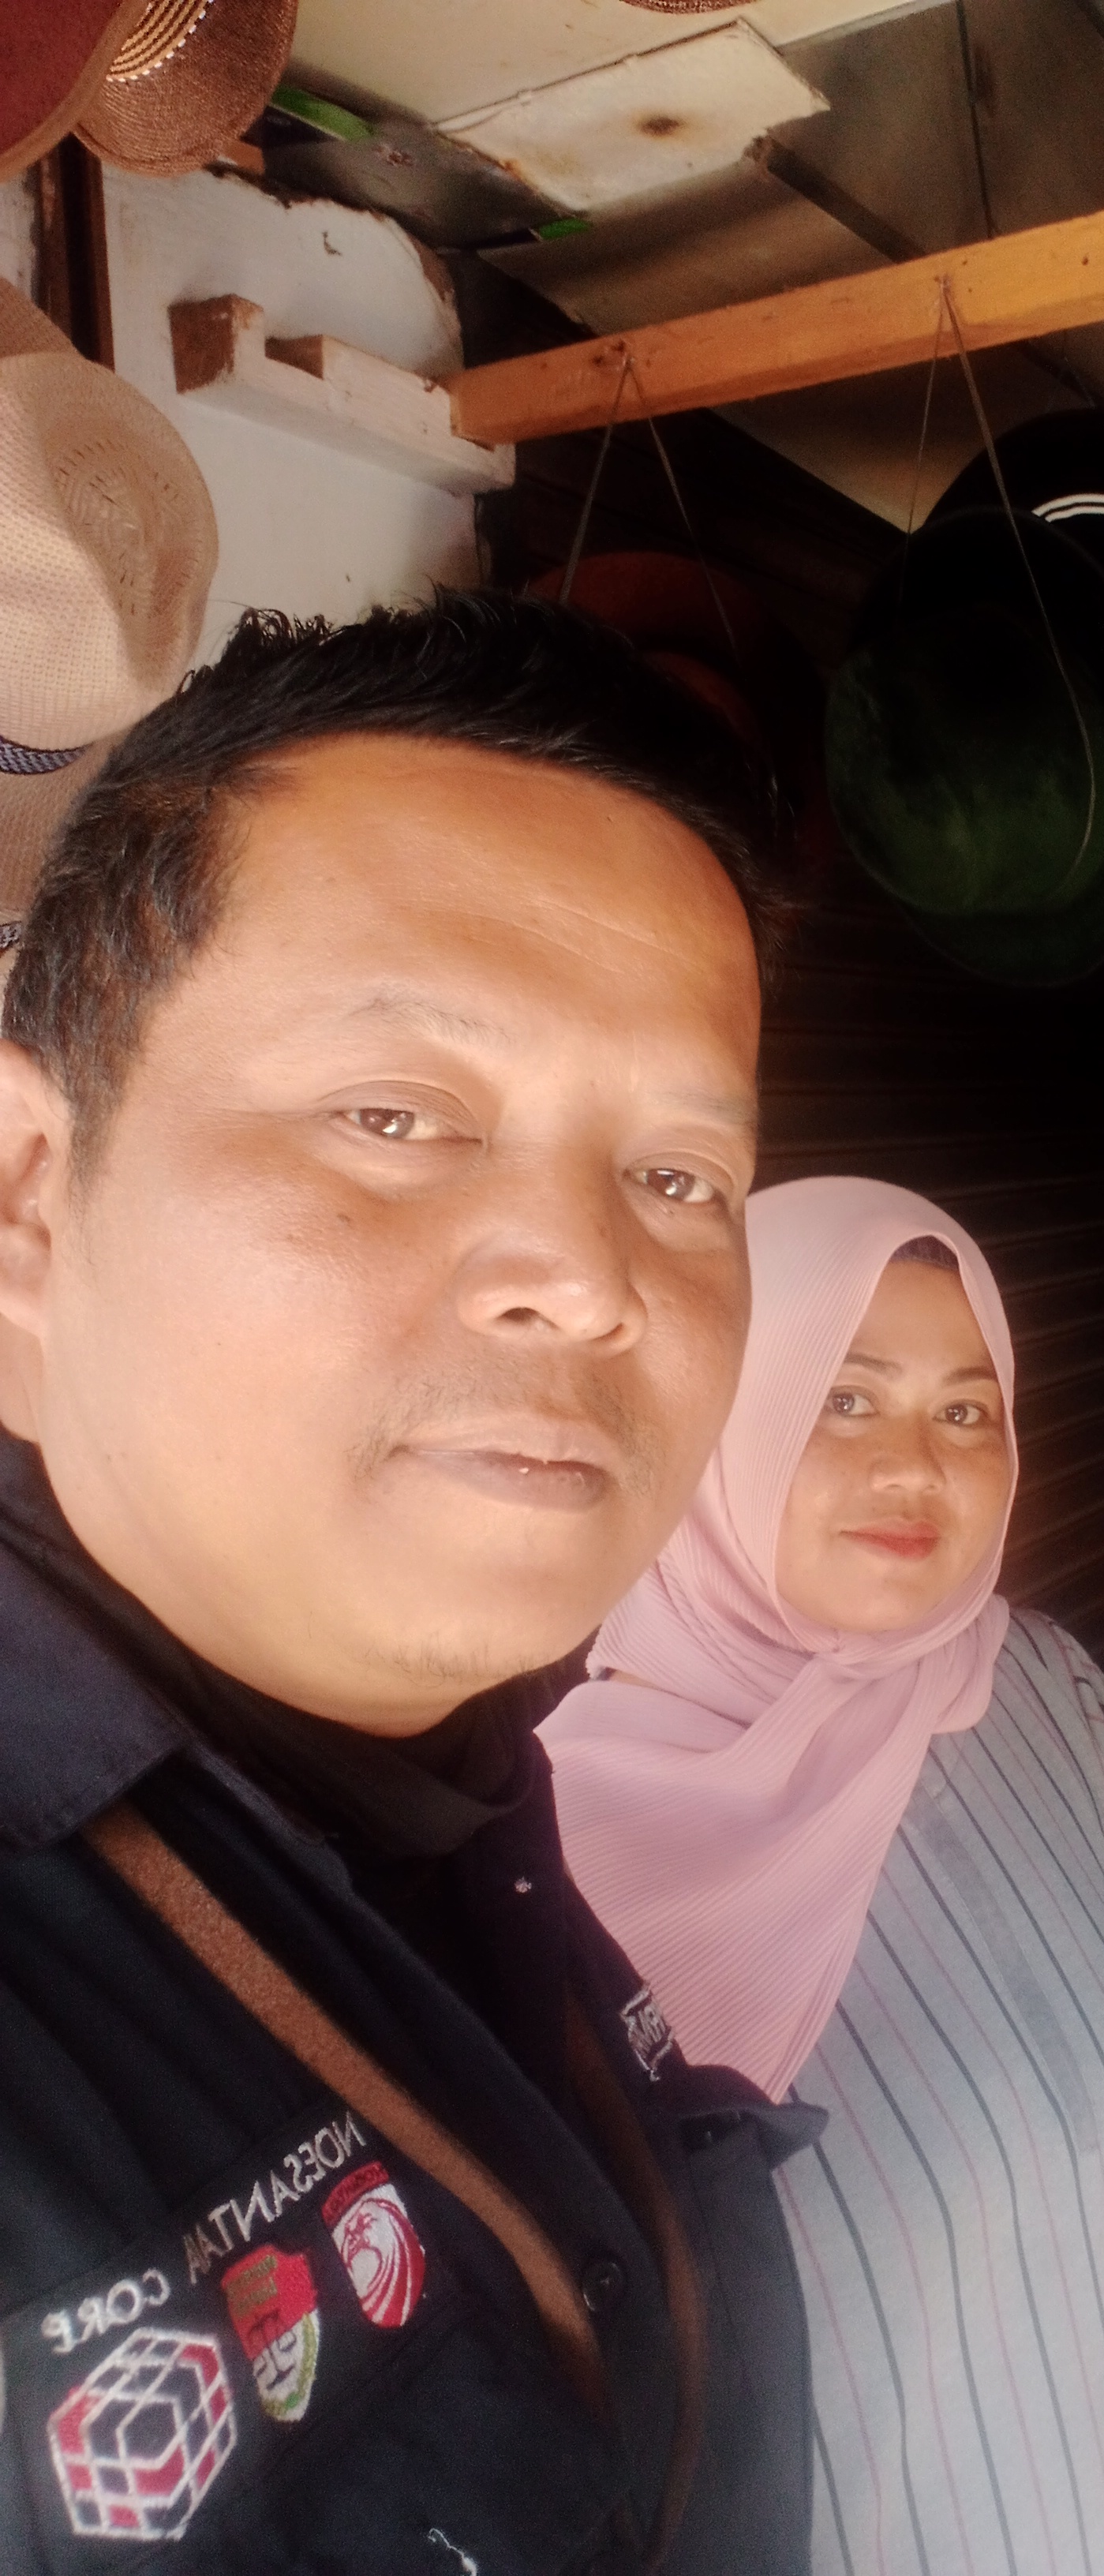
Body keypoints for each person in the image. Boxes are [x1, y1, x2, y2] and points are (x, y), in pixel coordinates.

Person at [0, 593, 816, 2572]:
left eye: (682, 1178)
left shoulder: (458, 1780)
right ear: (26, 1197)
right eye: (396, 1119)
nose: (593, 1279)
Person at [544, 1177, 1104, 2576]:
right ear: (713, 1416)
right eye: (843, 1398)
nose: (918, 1467)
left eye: (967, 1412)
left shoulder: (1033, 1687)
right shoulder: (550, 1857)